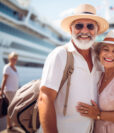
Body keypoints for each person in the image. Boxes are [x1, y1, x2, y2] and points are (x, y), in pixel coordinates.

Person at [37, 4, 109, 133]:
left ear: (96, 30)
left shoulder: (99, 58)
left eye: (90, 26)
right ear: (71, 29)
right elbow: (45, 97)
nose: (85, 31)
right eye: (79, 26)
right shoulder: (60, 54)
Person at [0, 52, 19, 130]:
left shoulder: (15, 68)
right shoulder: (7, 67)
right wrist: (1, 90)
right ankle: (9, 124)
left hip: (15, 90)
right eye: (12, 58)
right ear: (9, 59)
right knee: (11, 107)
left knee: (13, 107)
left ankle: (12, 123)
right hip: (9, 91)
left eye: (15, 58)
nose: (14, 60)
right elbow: (4, 79)